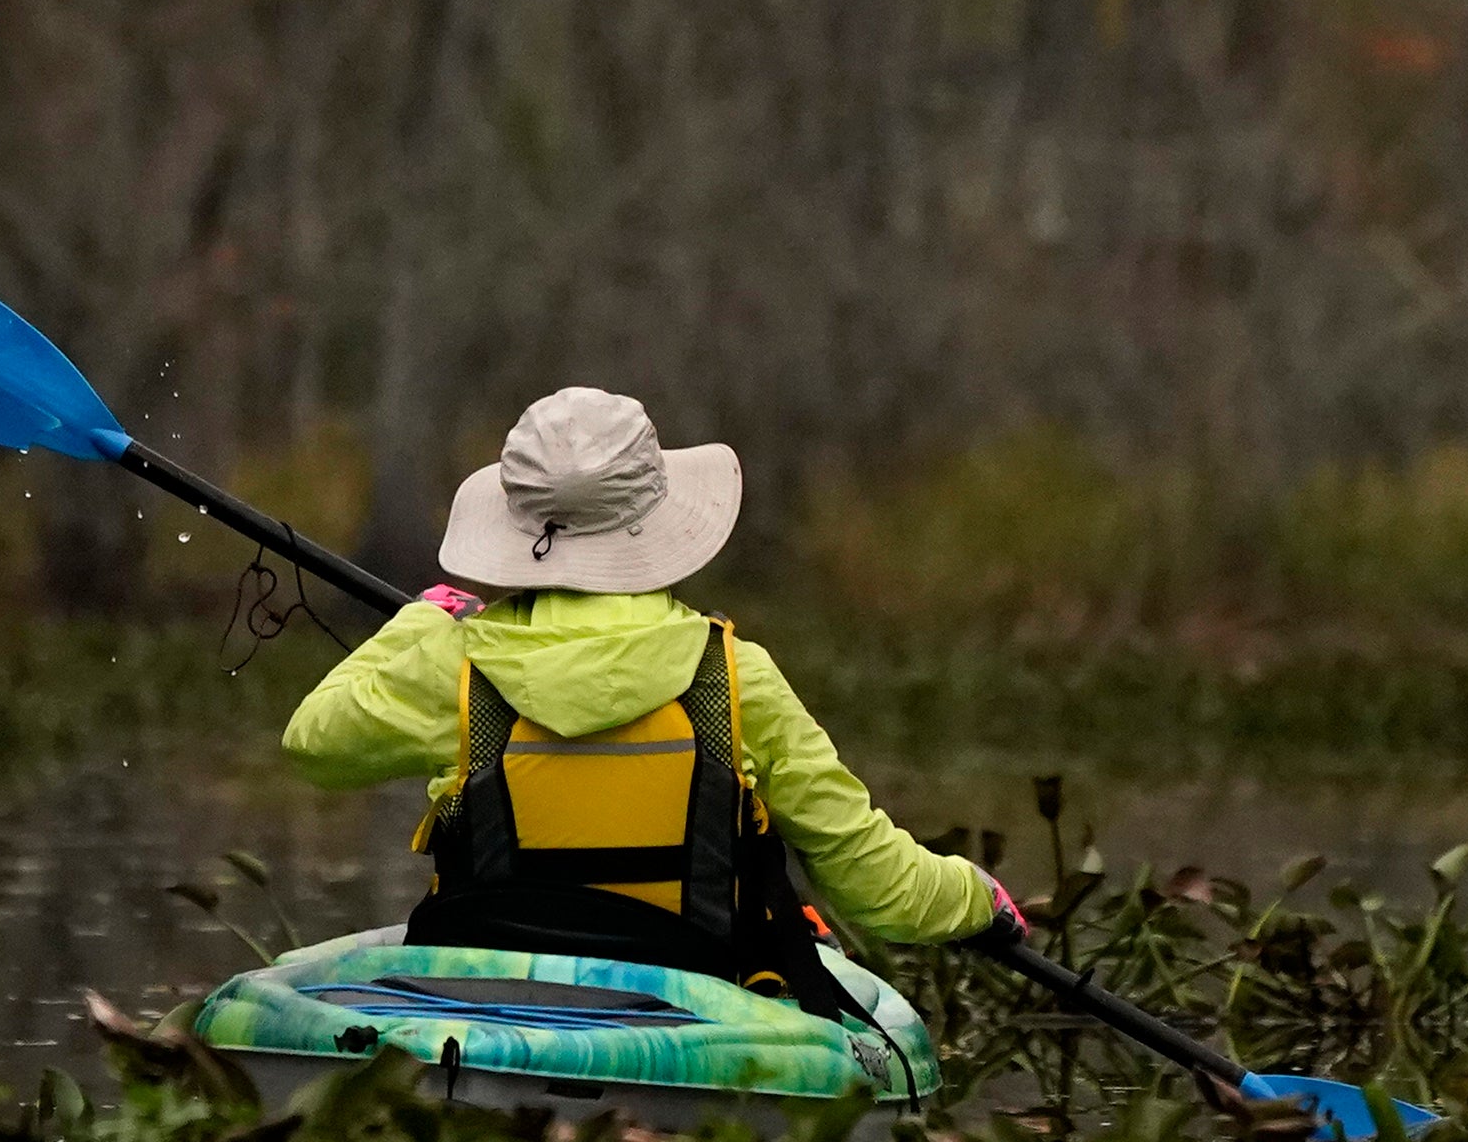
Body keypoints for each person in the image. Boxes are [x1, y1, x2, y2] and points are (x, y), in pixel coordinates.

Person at [282, 385, 1022, 1009]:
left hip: (489, 1000)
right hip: (686, 1001)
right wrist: (977, 897)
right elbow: (877, 885)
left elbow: (312, 743)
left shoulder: (453, 660)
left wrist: (421, 618)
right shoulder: (734, 679)